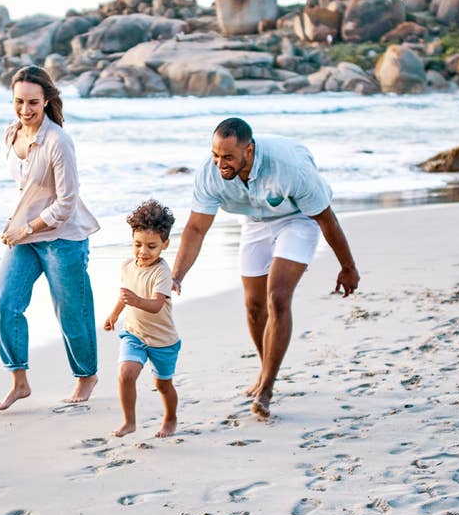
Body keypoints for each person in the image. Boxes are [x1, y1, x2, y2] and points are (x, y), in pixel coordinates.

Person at [170, 117, 360, 420]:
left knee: (278, 298)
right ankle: (266, 368)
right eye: (216, 155)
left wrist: (347, 266)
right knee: (254, 306)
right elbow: (195, 229)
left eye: (228, 156)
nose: (221, 163)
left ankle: (267, 389)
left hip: (298, 219)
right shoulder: (210, 173)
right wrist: (177, 275)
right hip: (255, 222)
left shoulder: (290, 169)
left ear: (250, 150)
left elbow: (326, 219)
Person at [0, 65, 101, 411]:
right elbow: (28, 187)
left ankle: (86, 377)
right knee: (3, 304)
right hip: (26, 235)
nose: (25, 110)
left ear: (47, 101)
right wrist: (18, 224)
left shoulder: (58, 141)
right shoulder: (11, 134)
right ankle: (19, 381)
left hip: (62, 238)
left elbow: (66, 203)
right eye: (19, 102)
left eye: (33, 103)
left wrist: (26, 228)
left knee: (71, 311)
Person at [103, 199, 181, 438]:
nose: (143, 252)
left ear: (164, 244)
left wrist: (136, 300)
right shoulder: (128, 266)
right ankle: (129, 421)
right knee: (126, 374)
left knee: (163, 385)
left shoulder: (162, 272)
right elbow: (125, 295)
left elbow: (157, 305)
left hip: (163, 340)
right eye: (138, 244)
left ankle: (170, 417)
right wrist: (114, 314)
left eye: (151, 246)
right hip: (134, 334)